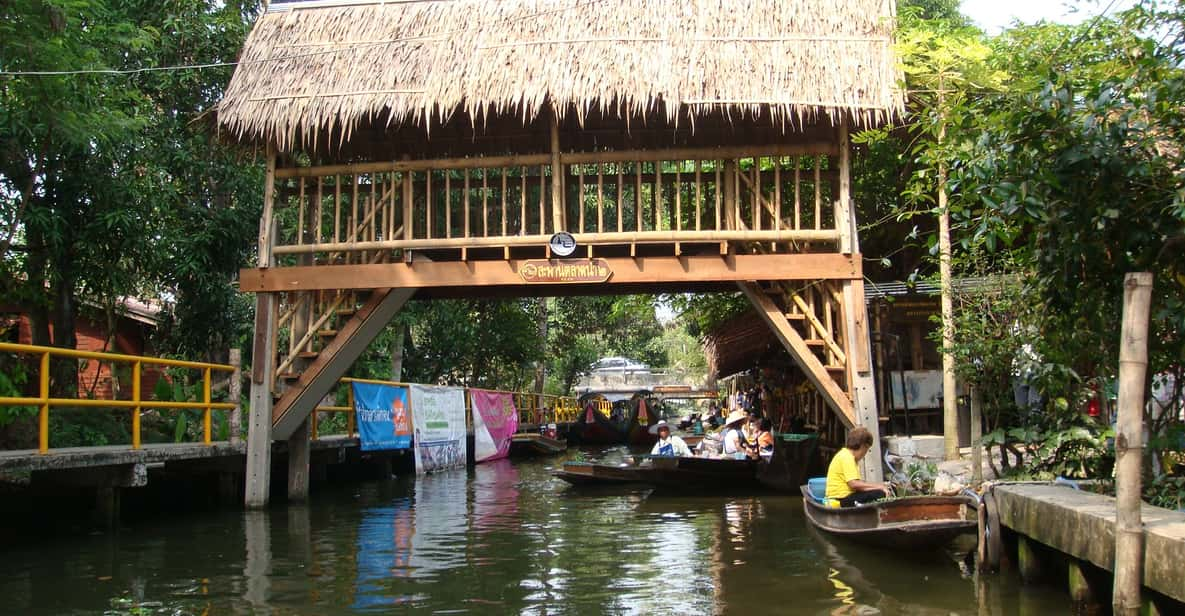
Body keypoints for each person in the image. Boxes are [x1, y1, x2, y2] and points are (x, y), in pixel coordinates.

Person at [825, 426, 894, 507]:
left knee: (888, 489)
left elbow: (858, 486)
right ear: (862, 446)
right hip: (840, 499)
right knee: (880, 494)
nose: (865, 453)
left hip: (847, 496)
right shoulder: (847, 457)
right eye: (866, 449)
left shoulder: (846, 455)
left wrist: (881, 486)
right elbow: (854, 484)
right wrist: (879, 486)